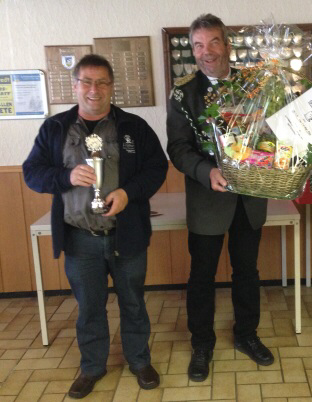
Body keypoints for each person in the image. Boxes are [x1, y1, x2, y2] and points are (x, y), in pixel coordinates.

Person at [23, 54, 167, 399]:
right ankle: (92, 367)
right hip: (80, 239)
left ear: (112, 87)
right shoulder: (54, 128)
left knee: (133, 302)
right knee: (89, 307)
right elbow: (32, 172)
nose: (94, 89)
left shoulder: (134, 127)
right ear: (74, 86)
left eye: (102, 82)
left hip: (126, 234)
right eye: (86, 81)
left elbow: (156, 168)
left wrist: (127, 193)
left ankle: (138, 360)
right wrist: (65, 176)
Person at [166, 13, 274, 382]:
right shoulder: (184, 94)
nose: (206, 52)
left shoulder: (256, 86)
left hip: (250, 197)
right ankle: (202, 343)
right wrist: (205, 171)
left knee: (247, 271)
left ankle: (246, 334)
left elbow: (272, 134)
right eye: (198, 45)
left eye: (213, 42)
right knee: (202, 275)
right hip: (207, 201)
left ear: (227, 45)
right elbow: (178, 148)